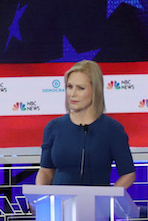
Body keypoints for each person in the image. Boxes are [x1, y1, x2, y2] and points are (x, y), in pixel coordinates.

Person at [37, 60, 135, 188]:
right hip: (59, 205)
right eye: (69, 87)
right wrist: (41, 198)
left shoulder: (112, 129)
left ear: (95, 91)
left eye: (80, 88)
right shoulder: (54, 127)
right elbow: (45, 171)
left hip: (96, 206)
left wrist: (107, 199)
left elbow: (128, 174)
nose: (73, 94)